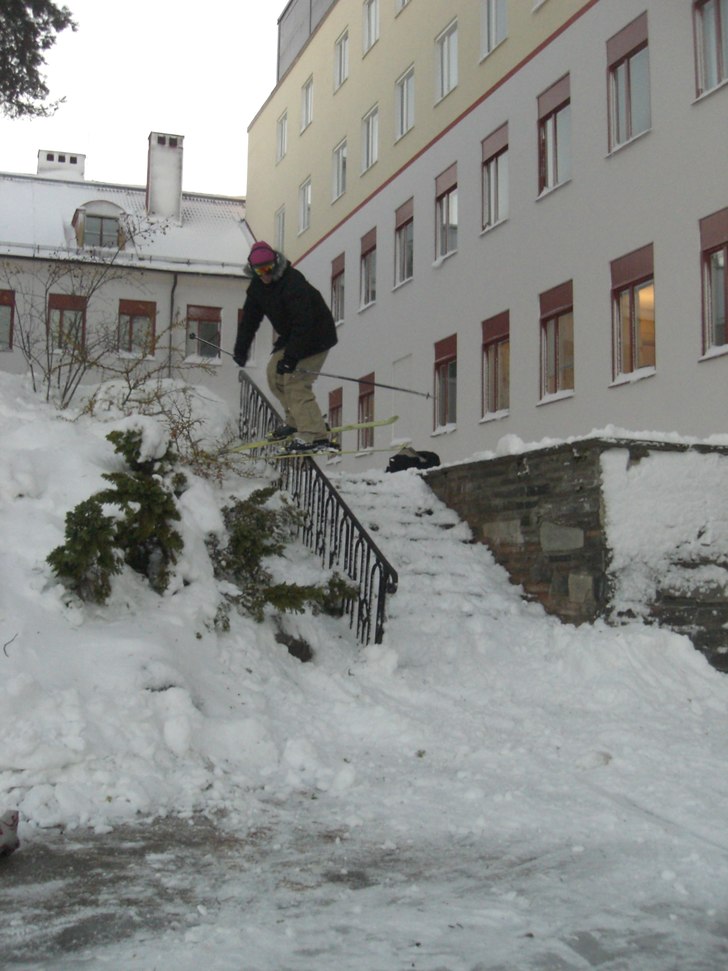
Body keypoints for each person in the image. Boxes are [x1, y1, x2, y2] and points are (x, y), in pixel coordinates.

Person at [233, 241, 338, 454]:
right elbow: (249, 320)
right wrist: (240, 349)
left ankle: (314, 434)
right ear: (252, 270)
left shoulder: (292, 282)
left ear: (275, 264)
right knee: (274, 375)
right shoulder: (257, 288)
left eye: (268, 268)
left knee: (295, 381)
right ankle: (297, 421)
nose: (265, 274)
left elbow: (304, 322)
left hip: (317, 335)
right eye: (259, 270)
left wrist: (291, 358)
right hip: (293, 337)